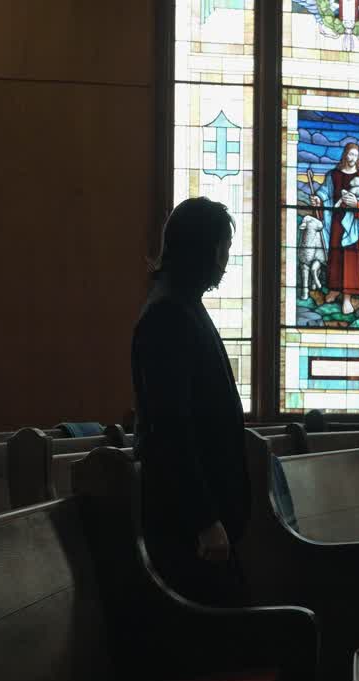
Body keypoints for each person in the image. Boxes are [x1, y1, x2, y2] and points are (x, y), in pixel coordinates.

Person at [131, 197, 249, 606]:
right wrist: (205, 520)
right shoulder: (168, 315)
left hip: (204, 517)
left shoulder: (183, 304)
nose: (225, 262)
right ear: (203, 249)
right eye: (223, 250)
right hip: (187, 528)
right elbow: (171, 428)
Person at [309, 142, 359, 315]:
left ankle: (348, 298)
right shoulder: (333, 175)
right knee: (336, 258)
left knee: (351, 261)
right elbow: (324, 193)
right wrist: (318, 200)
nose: (352, 158)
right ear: (344, 155)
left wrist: (357, 204)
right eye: (350, 154)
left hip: (356, 226)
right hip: (337, 223)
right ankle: (335, 289)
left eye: (355, 156)